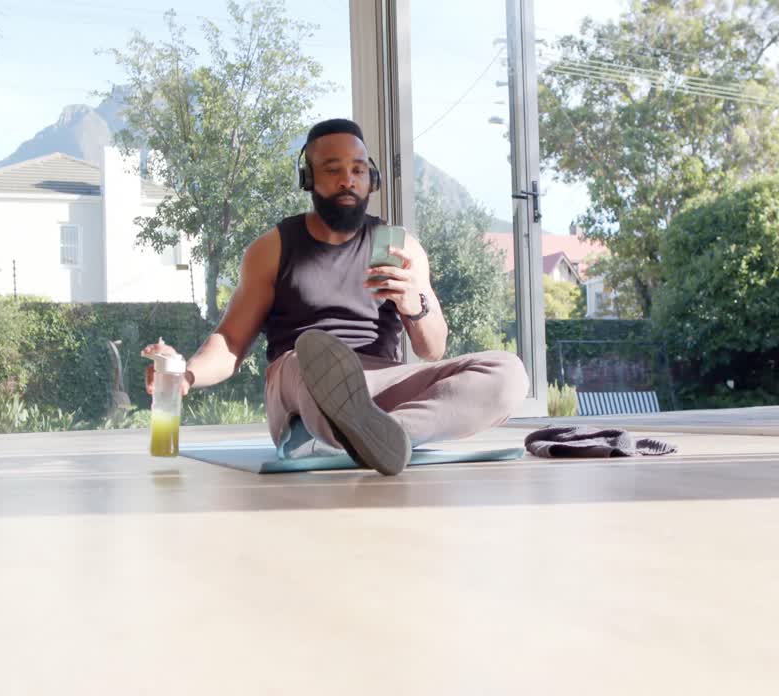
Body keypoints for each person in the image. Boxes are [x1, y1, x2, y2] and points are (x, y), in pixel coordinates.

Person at [144, 118, 529, 475]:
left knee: (507, 373)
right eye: (333, 169)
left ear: (371, 178)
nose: (348, 180)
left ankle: (383, 434)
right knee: (304, 357)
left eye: (358, 170)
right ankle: (362, 433)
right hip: (299, 382)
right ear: (308, 178)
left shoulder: (402, 247)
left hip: (379, 387)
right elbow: (230, 341)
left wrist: (415, 304)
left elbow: (433, 349)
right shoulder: (273, 248)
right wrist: (188, 375)